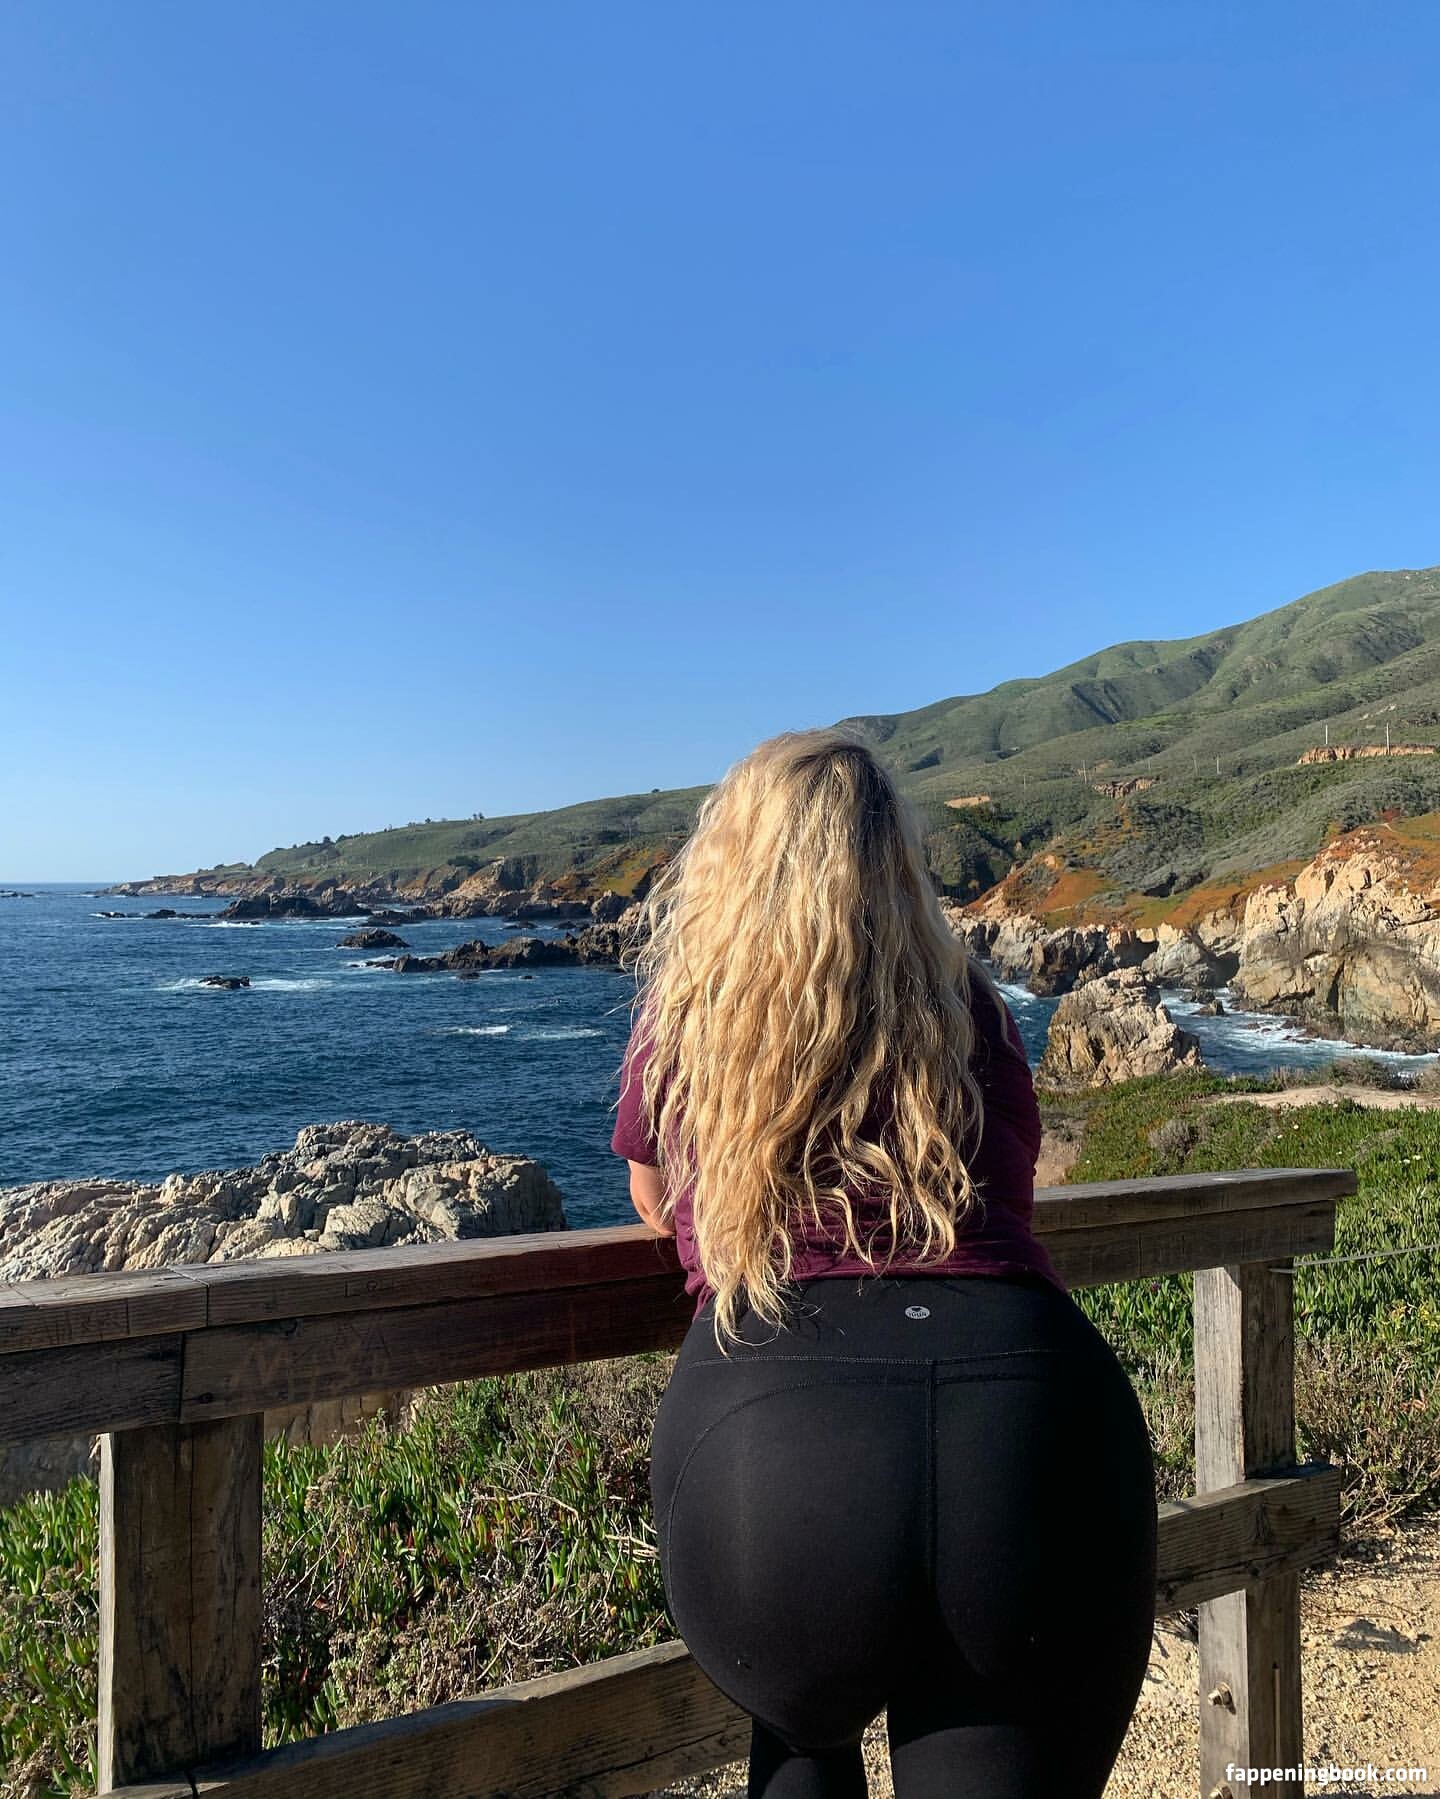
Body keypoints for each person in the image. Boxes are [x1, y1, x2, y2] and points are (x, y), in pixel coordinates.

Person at [609, 726, 1157, 1799]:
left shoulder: (693, 1020)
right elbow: (1006, 1194)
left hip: (776, 1441)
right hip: (1030, 1422)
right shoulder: (975, 1010)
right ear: (898, 863)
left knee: (799, 1736)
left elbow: (651, 1191)